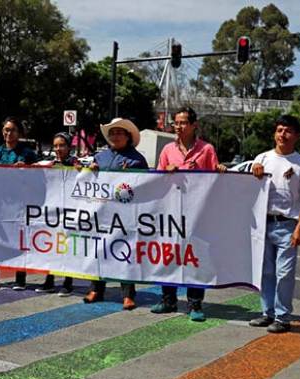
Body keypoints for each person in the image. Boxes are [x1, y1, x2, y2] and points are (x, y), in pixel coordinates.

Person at [151, 106, 226, 321]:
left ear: (194, 125)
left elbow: (214, 180)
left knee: (196, 258)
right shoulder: (167, 150)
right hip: (172, 213)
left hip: (198, 215)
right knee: (169, 256)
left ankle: (195, 304)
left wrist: (220, 170)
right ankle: (168, 299)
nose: (178, 126)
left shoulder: (207, 149)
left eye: (183, 122)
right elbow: (157, 179)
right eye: (176, 122)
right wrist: (165, 173)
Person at [249, 115, 300, 333]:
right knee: (266, 272)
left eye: (287, 131)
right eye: (279, 130)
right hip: (263, 223)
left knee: (284, 273)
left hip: (287, 225)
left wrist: (299, 229)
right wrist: (253, 171)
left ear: (296, 136)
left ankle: (283, 316)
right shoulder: (262, 158)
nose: (282, 135)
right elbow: (244, 185)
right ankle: (267, 313)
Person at [82, 118, 148, 311]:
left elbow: (146, 185)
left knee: (125, 252)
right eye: (112, 133)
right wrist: (88, 170)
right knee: (98, 250)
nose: (115, 136)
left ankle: (128, 295)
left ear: (128, 136)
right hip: (101, 212)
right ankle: (96, 289)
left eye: (120, 132)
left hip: (126, 213)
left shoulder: (137, 159)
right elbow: (87, 180)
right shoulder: (100, 157)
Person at [0, 116, 38, 290]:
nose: (8, 133)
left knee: (19, 239)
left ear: (19, 133)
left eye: (12, 129)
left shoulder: (28, 154)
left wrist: (28, 169)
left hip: (19, 204)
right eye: (6, 129)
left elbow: (40, 176)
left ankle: (20, 277)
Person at [34, 132, 77, 296]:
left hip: (71, 212)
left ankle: (68, 282)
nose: (58, 148)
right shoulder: (49, 165)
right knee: (51, 246)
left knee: (68, 247)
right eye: (56, 145)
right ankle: (49, 280)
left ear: (69, 147)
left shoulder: (76, 164)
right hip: (52, 212)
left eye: (62, 145)